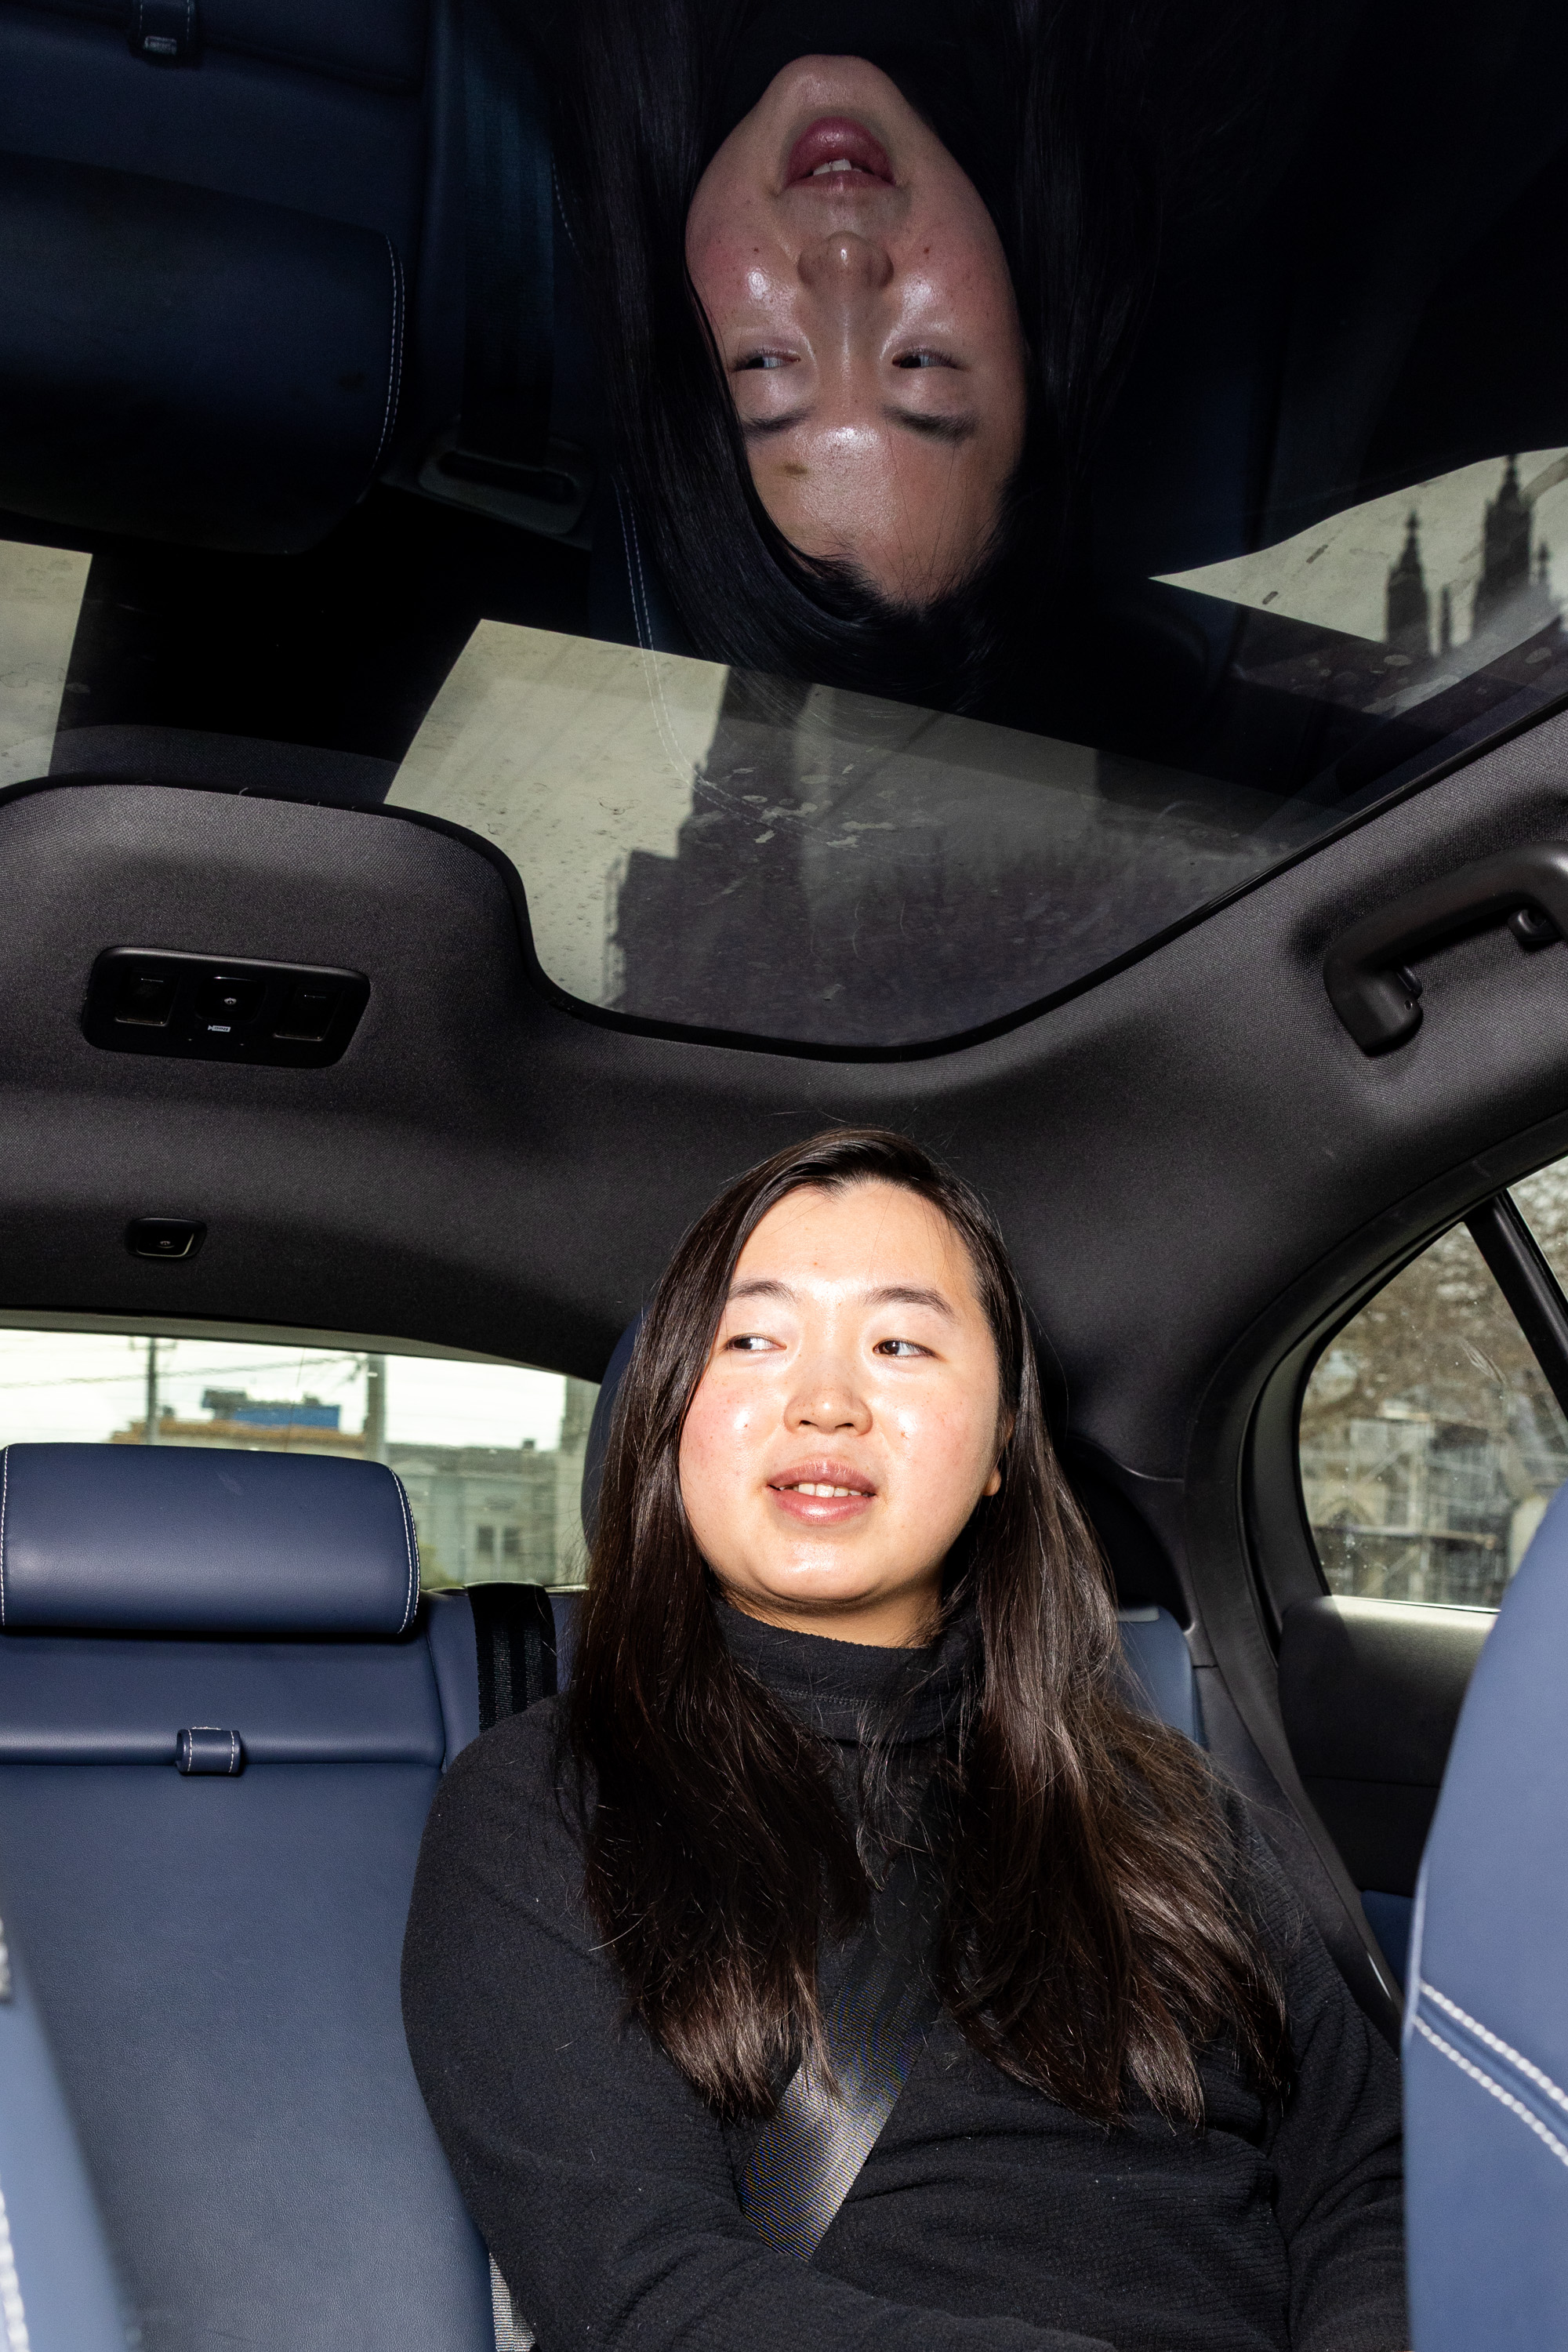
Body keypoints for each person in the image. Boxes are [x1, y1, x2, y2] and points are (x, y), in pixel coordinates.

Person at [402, 1126, 1409, 2352]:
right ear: (671, 1422)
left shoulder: (1165, 1804)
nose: (825, 1402)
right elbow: (648, 2294)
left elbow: (1372, 2183)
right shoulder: (545, 1803)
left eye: (899, 1344)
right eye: (754, 1341)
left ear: (999, 1450)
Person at [550, 0, 1222, 710]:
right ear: (1027, 351)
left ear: (673, 354)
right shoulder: (1191, 71)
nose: (844, 264)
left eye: (767, 366)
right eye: (923, 364)